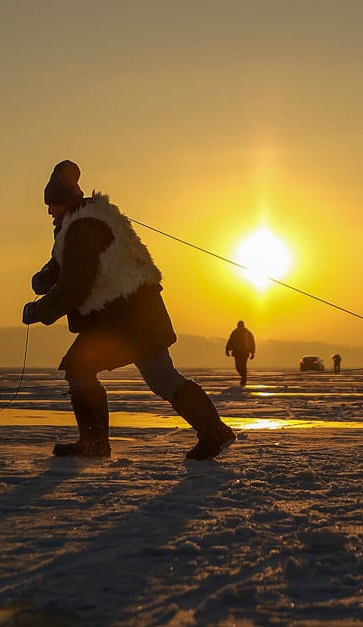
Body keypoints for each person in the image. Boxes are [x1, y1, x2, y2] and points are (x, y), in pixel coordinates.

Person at [22, 160, 235, 460]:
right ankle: (213, 430)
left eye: (53, 204)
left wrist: (39, 311)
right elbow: (76, 263)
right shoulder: (89, 221)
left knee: (79, 368)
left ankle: (94, 444)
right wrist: (48, 273)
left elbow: (75, 286)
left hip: (122, 318)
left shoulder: (82, 228)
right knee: (163, 378)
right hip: (140, 314)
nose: (49, 211)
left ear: (66, 202)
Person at [225, 320, 256, 386]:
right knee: (238, 367)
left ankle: (244, 379)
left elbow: (252, 343)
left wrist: (252, 352)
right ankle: (243, 377)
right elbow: (230, 341)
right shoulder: (235, 332)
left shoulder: (247, 333)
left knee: (243, 366)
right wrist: (227, 350)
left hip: (244, 352)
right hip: (237, 352)